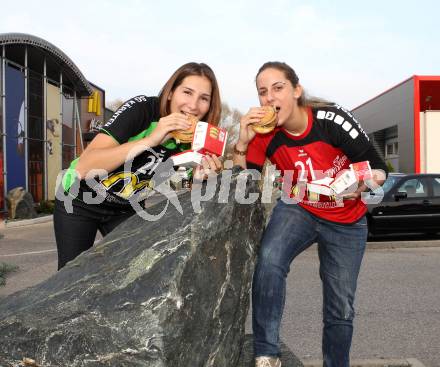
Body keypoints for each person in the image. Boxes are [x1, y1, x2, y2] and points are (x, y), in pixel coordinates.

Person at [233, 61, 388, 367]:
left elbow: (378, 168)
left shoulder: (331, 120)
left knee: (340, 306)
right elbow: (243, 188)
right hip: (299, 207)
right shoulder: (263, 134)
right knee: (269, 259)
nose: (269, 98)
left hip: (347, 217)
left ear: (296, 91)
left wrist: (361, 183)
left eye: (277, 88)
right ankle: (267, 354)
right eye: (262, 92)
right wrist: (241, 142)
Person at [55, 62, 223, 270]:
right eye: (187, 92)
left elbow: (176, 187)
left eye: (203, 98)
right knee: (69, 275)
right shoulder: (142, 109)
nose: (194, 105)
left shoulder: (197, 140)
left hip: (127, 207)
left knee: (135, 271)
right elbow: (84, 166)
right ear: (170, 93)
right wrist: (152, 140)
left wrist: (198, 179)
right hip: (80, 198)